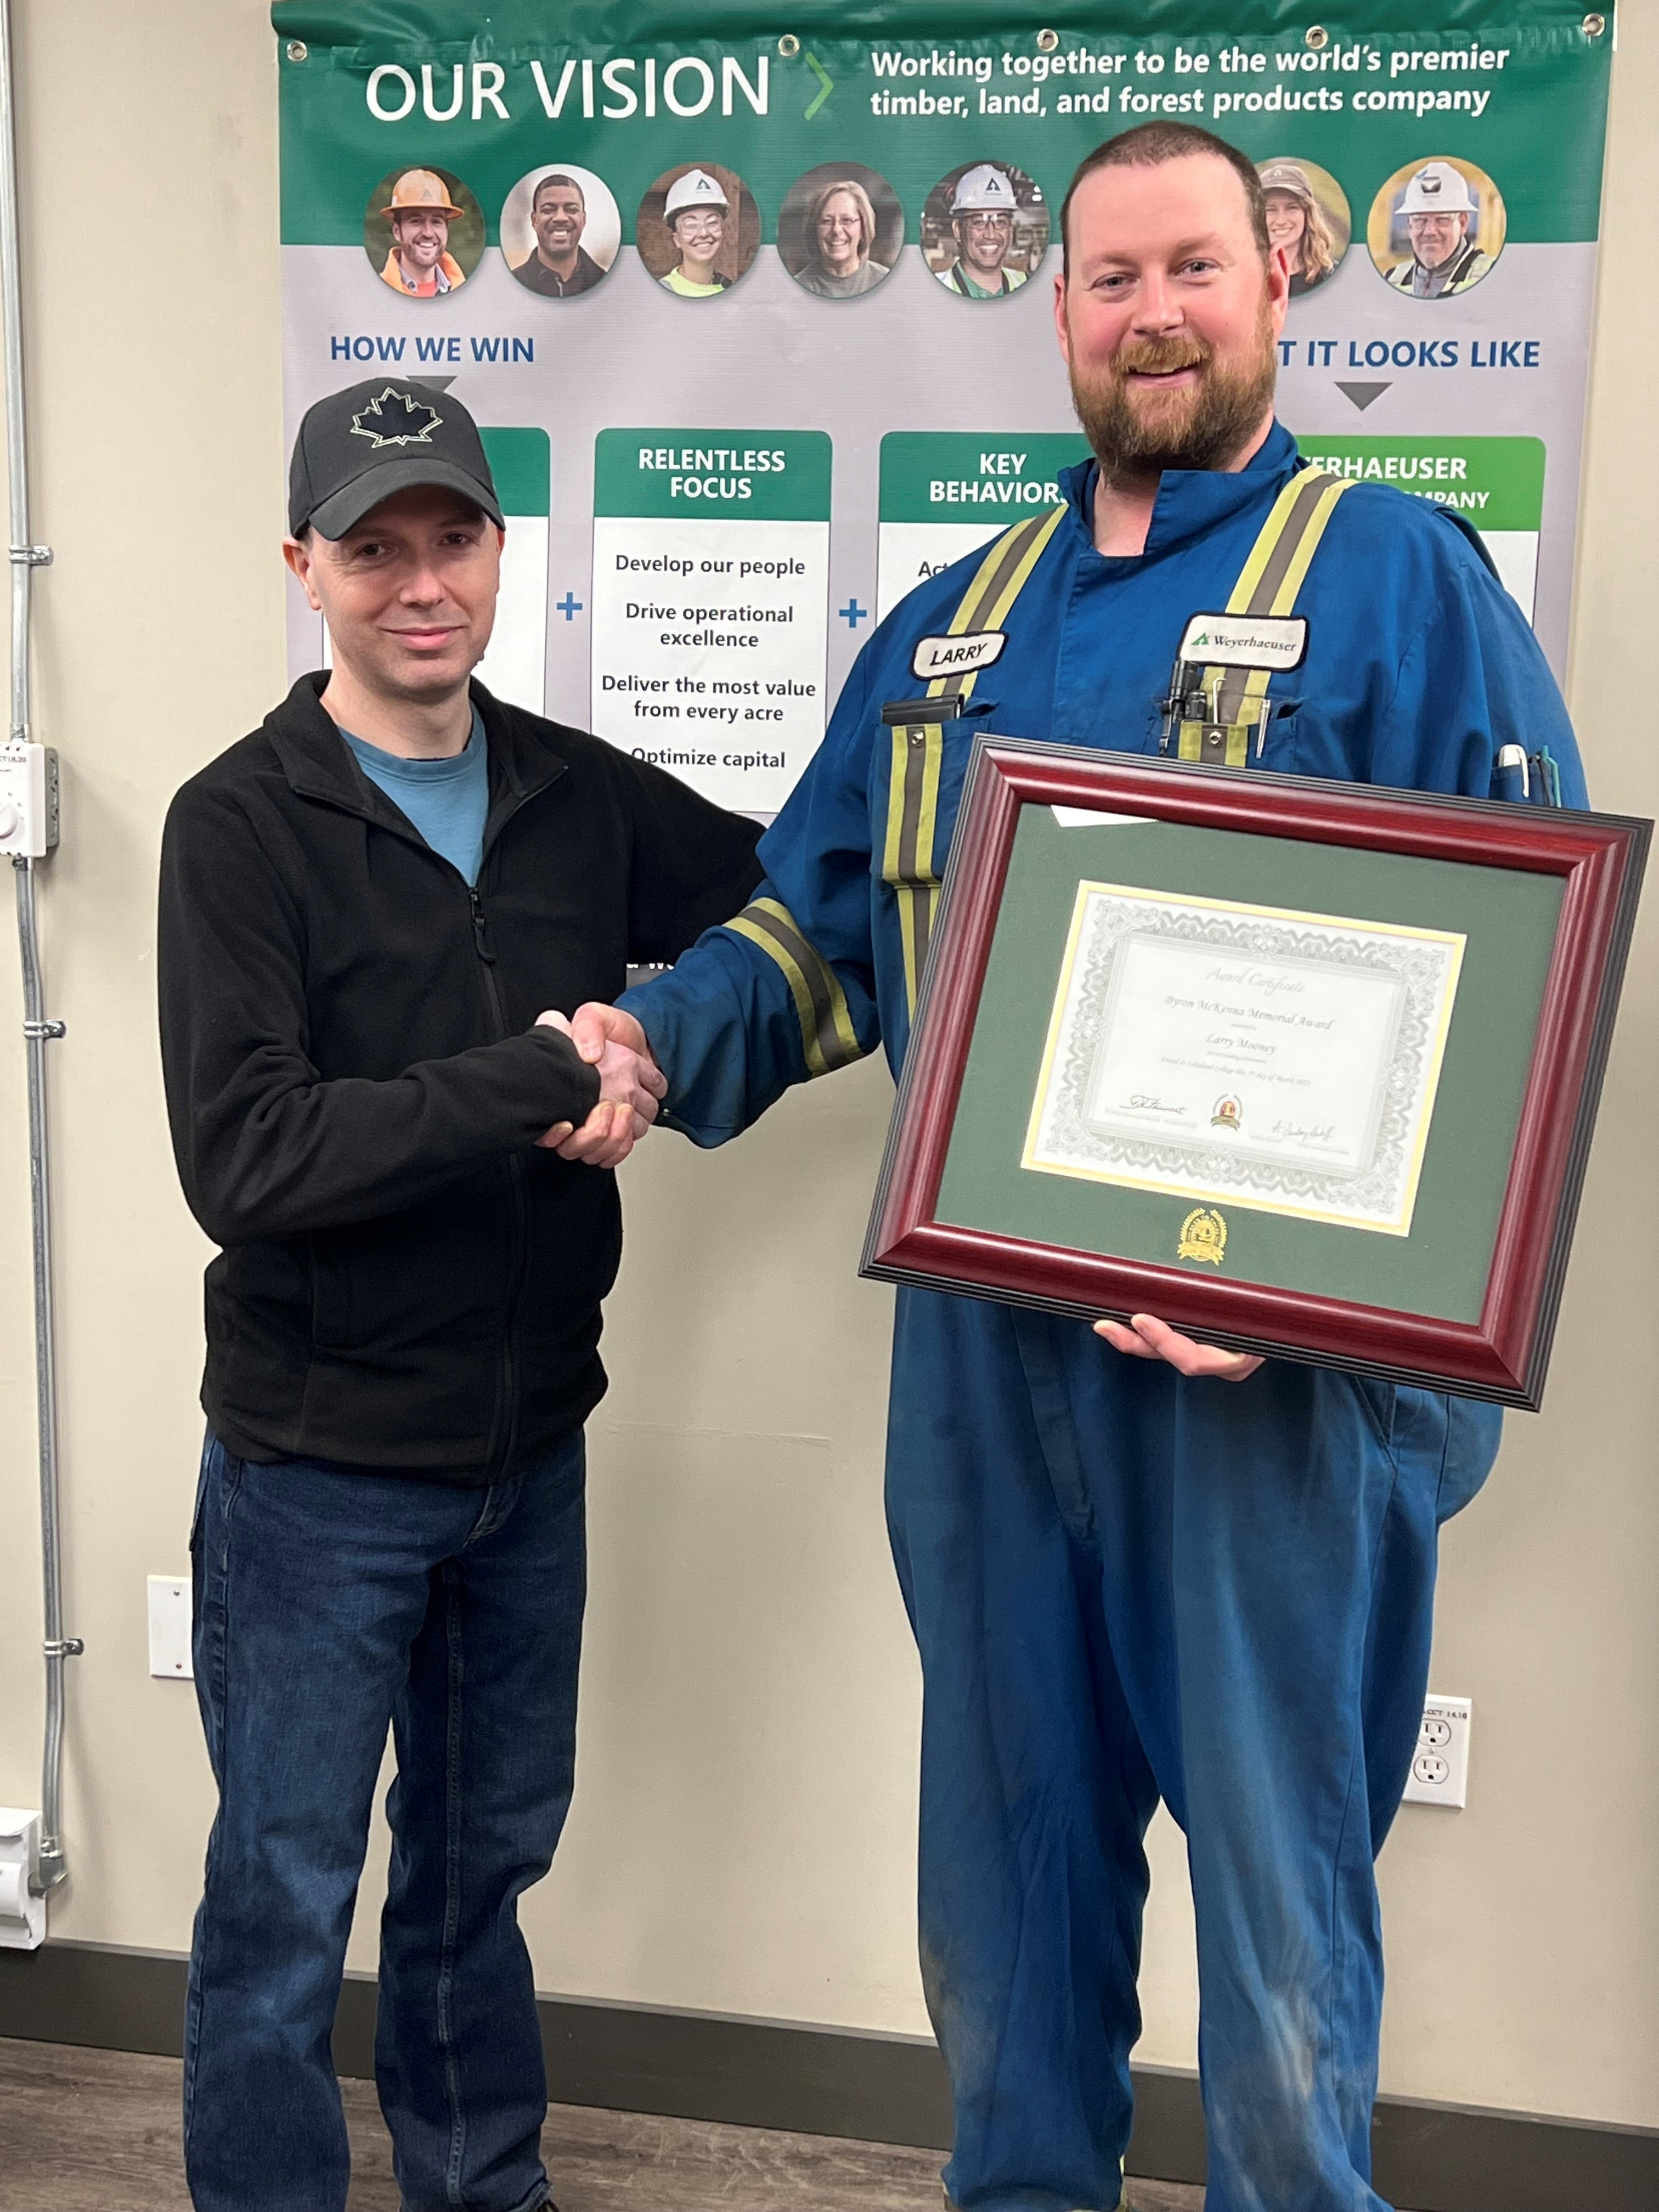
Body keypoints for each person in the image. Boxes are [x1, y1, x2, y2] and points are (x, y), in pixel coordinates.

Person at [566, 123, 1584, 2212]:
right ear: (1053, 315)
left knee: (1279, 1901)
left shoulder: (1394, 582)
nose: (1151, 313)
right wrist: (656, 1038)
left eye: (1191, 268)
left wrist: (1331, 1313)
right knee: (1007, 1864)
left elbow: (1511, 1006)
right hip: (976, 1362)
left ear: (1271, 285)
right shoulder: (951, 629)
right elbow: (814, 927)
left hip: (1249, 1390)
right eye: (1109, 278)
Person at [158, 376, 760, 2212]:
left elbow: (777, 907)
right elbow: (247, 1161)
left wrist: (654, 1043)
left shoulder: (581, 798)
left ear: (505, 552)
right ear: (305, 568)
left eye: (454, 541)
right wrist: (539, 1070)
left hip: (527, 1461)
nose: (420, 587)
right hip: (317, 1476)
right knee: (281, 1903)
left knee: (477, 1874)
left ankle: (480, 2187)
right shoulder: (239, 826)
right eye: (372, 551)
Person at [1384, 160, 1494, 297]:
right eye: (1420, 220)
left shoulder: (1493, 275)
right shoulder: (1392, 279)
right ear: (1410, 225)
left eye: (1442, 220)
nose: (1430, 231)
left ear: (1463, 223)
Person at [935, 162, 1031, 298]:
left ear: (1010, 229)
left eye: (1001, 222)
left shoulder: (1026, 283)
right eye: (979, 222)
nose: (991, 234)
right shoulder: (935, 291)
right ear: (957, 230)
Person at [511, 170, 608, 297]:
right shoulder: (511, 286)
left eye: (571, 209)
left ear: (583, 220)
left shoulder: (608, 284)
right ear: (535, 221)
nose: (560, 218)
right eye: (548, 210)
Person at [792, 176, 891, 298]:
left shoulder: (888, 282)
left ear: (863, 228)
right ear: (815, 230)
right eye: (827, 221)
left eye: (847, 220)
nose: (836, 230)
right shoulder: (795, 289)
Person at [378, 168, 469, 297]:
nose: (428, 233)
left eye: (437, 222)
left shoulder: (468, 294)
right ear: (397, 231)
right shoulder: (373, 292)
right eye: (416, 221)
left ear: (447, 230)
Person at [1259, 159, 1340, 294]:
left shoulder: (1333, 276)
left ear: (1307, 214)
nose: (1281, 220)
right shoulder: (1242, 278)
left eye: (1292, 208)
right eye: (1270, 210)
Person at [657, 167, 734, 296]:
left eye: (712, 223)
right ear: (677, 239)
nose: (704, 233)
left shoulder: (731, 290)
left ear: (723, 230)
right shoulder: (661, 293)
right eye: (691, 225)